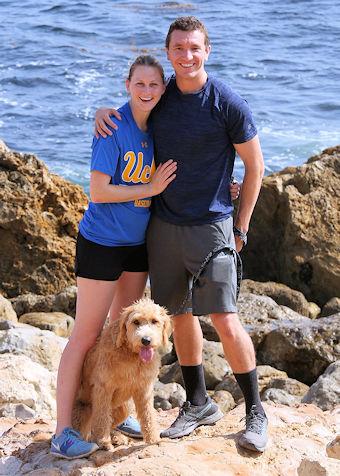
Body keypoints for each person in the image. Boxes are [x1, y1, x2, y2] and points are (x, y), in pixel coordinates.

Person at [95, 16, 268, 453]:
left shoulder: (226, 101)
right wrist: (102, 113)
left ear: (207, 50)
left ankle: (255, 413)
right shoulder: (163, 95)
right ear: (169, 52)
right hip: (163, 227)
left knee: (225, 319)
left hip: (212, 227)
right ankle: (197, 402)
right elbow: (133, 107)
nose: (186, 56)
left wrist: (241, 225)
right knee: (179, 315)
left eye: (194, 48)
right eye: (178, 48)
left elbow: (256, 166)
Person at [50, 55, 178, 460]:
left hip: (136, 246)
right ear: (127, 85)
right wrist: (150, 189)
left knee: (123, 333)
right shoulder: (112, 127)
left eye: (154, 85)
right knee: (86, 336)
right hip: (102, 243)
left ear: (163, 89)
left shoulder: (158, 128)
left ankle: (116, 413)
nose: (146, 91)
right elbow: (98, 191)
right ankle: (62, 431)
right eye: (139, 84)